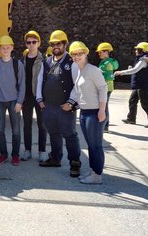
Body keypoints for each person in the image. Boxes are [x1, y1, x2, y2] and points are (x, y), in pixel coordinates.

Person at [36, 30, 82, 178]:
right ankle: (55, 158)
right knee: (54, 133)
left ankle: (75, 163)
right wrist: (40, 100)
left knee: (69, 135)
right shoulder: (47, 62)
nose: (56, 46)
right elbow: (39, 81)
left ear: (65, 44)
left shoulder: (72, 62)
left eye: (59, 43)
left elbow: (78, 84)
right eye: (53, 44)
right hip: (48, 106)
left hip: (65, 107)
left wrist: (71, 102)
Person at [70, 41, 108, 184]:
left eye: (80, 53)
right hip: (85, 112)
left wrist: (102, 110)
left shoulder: (93, 70)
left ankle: (97, 175)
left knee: (95, 145)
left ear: (86, 54)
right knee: (91, 144)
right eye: (74, 54)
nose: (77, 56)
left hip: (95, 112)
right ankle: (94, 171)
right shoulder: (79, 70)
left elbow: (103, 89)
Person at [0, 35, 25, 166]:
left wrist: (20, 102)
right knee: (0, 130)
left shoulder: (17, 64)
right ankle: (3, 154)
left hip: (14, 101)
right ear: (0, 49)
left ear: (12, 48)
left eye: (8, 47)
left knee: (16, 130)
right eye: (3, 48)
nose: (5, 50)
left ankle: (15, 155)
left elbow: (22, 84)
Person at [114, 42, 148, 128]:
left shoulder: (143, 60)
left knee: (145, 103)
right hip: (140, 83)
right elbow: (137, 70)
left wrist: (121, 72)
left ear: (142, 50)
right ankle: (131, 118)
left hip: (143, 84)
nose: (135, 51)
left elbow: (135, 70)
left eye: (137, 49)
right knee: (132, 100)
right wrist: (130, 69)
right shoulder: (142, 59)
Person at [21, 31, 48, 162]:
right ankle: (27, 150)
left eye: (34, 42)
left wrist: (44, 98)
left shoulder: (45, 61)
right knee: (27, 124)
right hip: (26, 97)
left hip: (40, 98)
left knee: (42, 124)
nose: (31, 45)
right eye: (28, 42)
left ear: (38, 43)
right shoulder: (22, 60)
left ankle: (42, 151)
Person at [96, 42, 119, 132]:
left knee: (104, 107)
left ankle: (105, 126)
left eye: (100, 52)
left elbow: (108, 75)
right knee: (104, 106)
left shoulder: (107, 63)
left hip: (105, 87)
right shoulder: (108, 62)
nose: (99, 54)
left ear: (106, 52)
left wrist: (99, 72)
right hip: (107, 87)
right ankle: (105, 125)